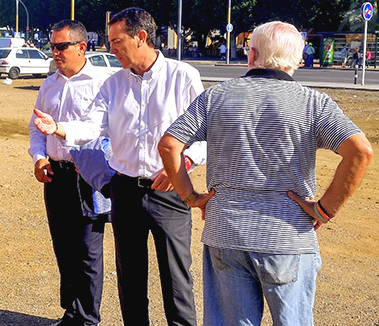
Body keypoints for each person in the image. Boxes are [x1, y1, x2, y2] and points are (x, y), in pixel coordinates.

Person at [158, 21, 373, 326]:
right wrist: (324, 210)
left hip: (226, 233)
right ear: (298, 60)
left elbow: (169, 145)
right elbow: (360, 151)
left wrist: (191, 196)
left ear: (252, 54)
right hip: (288, 237)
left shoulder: (216, 97)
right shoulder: (314, 104)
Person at [33, 7, 206, 325]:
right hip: (125, 190)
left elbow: (205, 135)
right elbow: (90, 127)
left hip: (169, 190)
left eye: (116, 41)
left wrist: (181, 165)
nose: (110, 49)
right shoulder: (113, 84)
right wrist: (57, 128)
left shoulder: (183, 77)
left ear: (141, 37)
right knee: (130, 280)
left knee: (176, 279)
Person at [28, 20, 112, 326]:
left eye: (61, 46)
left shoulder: (103, 83)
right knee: (63, 246)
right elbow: (35, 128)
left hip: (88, 177)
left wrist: (61, 131)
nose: (55, 53)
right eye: (51, 46)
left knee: (88, 251)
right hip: (56, 176)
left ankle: (88, 318)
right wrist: (39, 158)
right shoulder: (49, 84)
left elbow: (99, 129)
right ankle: (72, 313)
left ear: (81, 46)